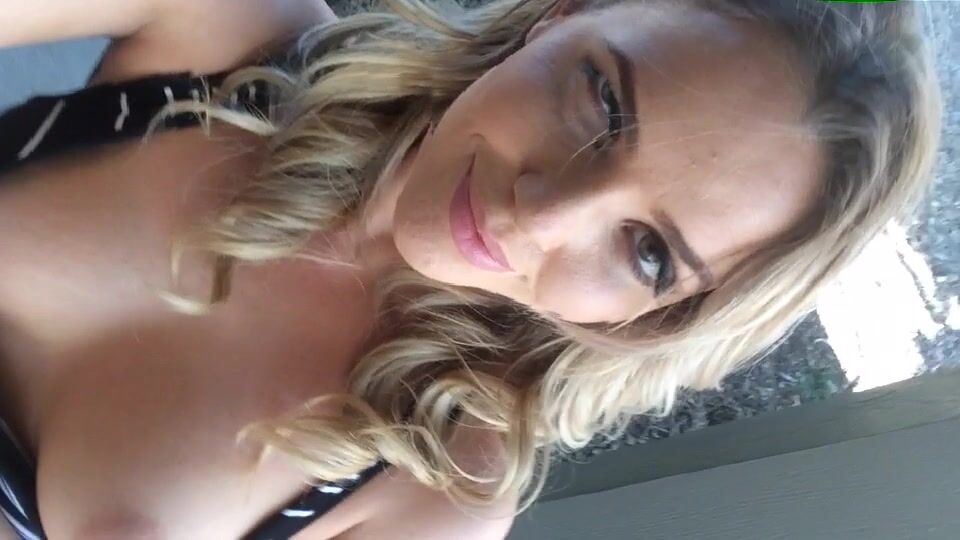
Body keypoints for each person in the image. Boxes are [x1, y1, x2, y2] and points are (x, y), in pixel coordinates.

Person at [0, 0, 940, 538]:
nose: (541, 213)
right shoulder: (235, 34)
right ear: (564, 16)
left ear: (663, 317)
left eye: (649, 252)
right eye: (604, 105)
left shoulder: (436, 496)